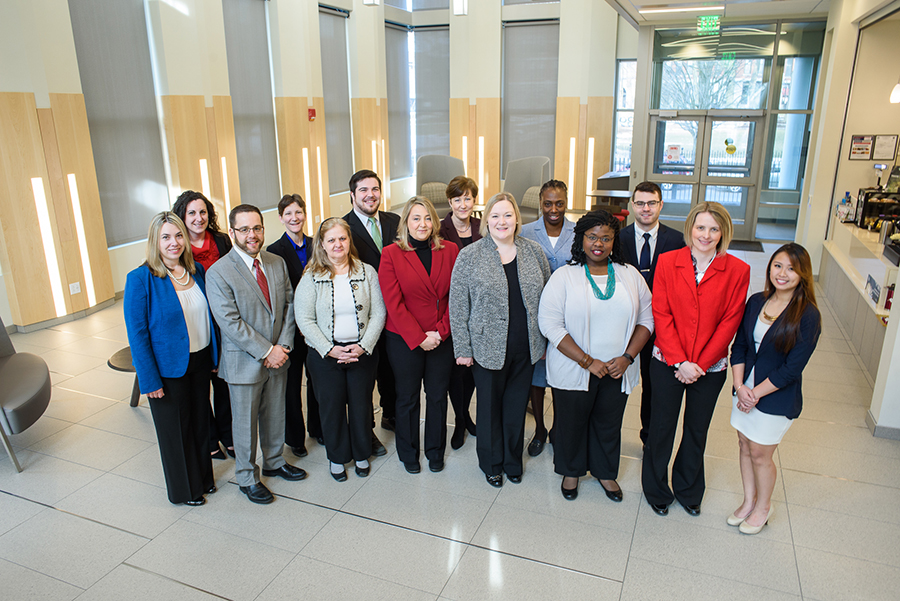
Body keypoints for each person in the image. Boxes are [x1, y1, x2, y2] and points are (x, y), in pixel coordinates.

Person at [641, 201, 750, 517]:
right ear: (690, 229)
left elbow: (730, 321)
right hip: (667, 361)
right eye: (701, 227)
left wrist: (699, 365)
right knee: (661, 427)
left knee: (696, 430)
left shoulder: (738, 270)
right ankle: (656, 489)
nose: (706, 235)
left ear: (723, 233)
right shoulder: (667, 261)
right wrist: (680, 361)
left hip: (709, 367)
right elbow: (661, 312)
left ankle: (688, 489)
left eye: (714, 229)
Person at [539, 210, 653, 501]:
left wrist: (627, 358)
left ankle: (605, 472)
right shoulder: (564, 277)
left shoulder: (630, 275)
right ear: (581, 239)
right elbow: (550, 324)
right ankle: (571, 471)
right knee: (571, 422)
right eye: (592, 237)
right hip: (575, 368)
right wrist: (587, 361)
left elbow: (647, 320)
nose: (598, 244)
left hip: (617, 368)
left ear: (615, 241)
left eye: (606, 238)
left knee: (608, 422)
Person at [206, 205, 307, 505]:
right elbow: (229, 322)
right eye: (244, 229)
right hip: (244, 361)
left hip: (279, 357)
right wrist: (267, 351)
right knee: (245, 424)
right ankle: (247, 476)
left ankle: (274, 461)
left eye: (257, 228)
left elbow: (290, 305)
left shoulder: (275, 262)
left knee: (275, 414)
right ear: (232, 232)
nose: (252, 235)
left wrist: (283, 346)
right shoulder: (218, 272)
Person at [449, 192, 551, 488]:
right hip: (486, 348)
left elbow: (547, 298)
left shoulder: (533, 251)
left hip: (526, 346)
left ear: (517, 218)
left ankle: (512, 461)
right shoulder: (470, 256)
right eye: (495, 216)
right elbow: (458, 305)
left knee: (516, 408)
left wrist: (544, 342)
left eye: (507, 215)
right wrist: (463, 348)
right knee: (490, 409)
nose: (502, 221)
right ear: (486, 220)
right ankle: (492, 464)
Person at [124, 212, 218, 506]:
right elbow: (137, 335)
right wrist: (149, 380)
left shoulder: (195, 270)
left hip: (200, 360)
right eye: (165, 237)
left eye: (178, 235)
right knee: (176, 431)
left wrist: (214, 356)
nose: (173, 242)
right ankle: (185, 491)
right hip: (167, 369)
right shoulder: (141, 279)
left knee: (200, 423)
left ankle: (204, 479)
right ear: (155, 241)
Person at [728, 243, 821, 534]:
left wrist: (754, 394)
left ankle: (763, 507)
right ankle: (749, 501)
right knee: (744, 444)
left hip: (775, 396)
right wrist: (740, 387)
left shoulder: (808, 315)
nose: (782, 273)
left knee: (760, 453)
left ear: (803, 275)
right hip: (745, 388)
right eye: (778, 265)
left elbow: (792, 369)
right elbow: (740, 346)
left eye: (792, 269)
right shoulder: (757, 301)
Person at [295, 218, 386, 481]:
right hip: (325, 357)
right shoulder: (311, 276)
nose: (338, 244)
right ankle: (337, 458)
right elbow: (304, 319)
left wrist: (364, 346)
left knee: (361, 406)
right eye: (331, 240)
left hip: (361, 354)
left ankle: (361, 453)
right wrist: (329, 349)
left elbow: (379, 312)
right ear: (322, 244)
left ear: (349, 241)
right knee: (331, 408)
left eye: (342, 238)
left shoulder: (367, 271)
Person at [380, 197, 459, 474]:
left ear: (434, 222)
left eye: (427, 218)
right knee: (407, 397)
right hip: (404, 339)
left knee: (437, 396)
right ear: (406, 223)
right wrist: (419, 337)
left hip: (441, 336)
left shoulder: (450, 250)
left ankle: (435, 451)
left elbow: (456, 297)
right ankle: (408, 452)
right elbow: (393, 304)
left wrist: (440, 331)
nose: (422, 224)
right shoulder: (391, 254)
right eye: (416, 218)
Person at [618, 182, 685, 448]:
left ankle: (649, 438)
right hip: (625, 324)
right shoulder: (617, 238)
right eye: (640, 203)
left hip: (661, 326)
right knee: (616, 381)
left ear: (660, 205)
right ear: (632, 205)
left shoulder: (677, 241)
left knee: (654, 385)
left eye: (652, 203)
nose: (646, 208)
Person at [172, 190, 234, 461]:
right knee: (199, 384)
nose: (198, 218)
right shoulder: (177, 245)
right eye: (192, 213)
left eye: (203, 212)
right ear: (182, 216)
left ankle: (229, 435)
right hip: (195, 319)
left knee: (224, 381)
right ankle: (209, 438)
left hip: (224, 317)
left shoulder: (221, 240)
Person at [343, 169, 398, 455]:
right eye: (363, 190)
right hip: (362, 315)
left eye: (375, 189)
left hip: (396, 311)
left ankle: (391, 414)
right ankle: (368, 431)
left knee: (392, 369)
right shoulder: (343, 228)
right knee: (365, 379)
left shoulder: (395, 221)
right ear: (352, 195)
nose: (370, 195)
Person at [520, 180, 575, 457]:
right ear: (540, 203)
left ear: (566, 202)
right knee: (537, 376)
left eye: (559, 203)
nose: (554, 209)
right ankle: (540, 429)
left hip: (569, 315)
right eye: (548, 203)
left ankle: (560, 429)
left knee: (566, 373)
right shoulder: (525, 232)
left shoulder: (579, 232)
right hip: (536, 314)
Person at [267, 194, 323, 456]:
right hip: (290, 328)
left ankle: (318, 428)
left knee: (317, 380)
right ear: (281, 218)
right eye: (288, 213)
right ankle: (295, 438)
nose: (294, 218)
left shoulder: (317, 244)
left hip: (316, 325)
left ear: (305, 214)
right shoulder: (273, 251)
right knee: (291, 385)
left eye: (298, 212)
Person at [438, 176, 480, 449]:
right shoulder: (439, 229)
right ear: (449, 201)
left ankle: (465, 415)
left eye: (468, 198)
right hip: (451, 305)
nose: (463, 204)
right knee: (457, 372)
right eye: (457, 199)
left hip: (479, 307)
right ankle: (461, 420)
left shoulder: (483, 226)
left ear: (474, 200)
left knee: (473, 370)